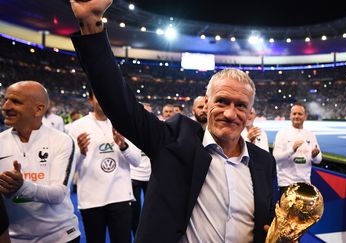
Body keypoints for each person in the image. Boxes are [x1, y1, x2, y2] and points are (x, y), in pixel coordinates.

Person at [69, 1, 276, 242]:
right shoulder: (173, 141)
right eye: (221, 102)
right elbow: (119, 104)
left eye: (240, 105)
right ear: (206, 104)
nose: (230, 113)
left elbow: (266, 223)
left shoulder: (264, 163)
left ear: (250, 112)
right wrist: (91, 24)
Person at [0, 81, 80, 242]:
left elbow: (58, 194)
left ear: (38, 109)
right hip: (16, 238)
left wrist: (22, 187)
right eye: (5, 100)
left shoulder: (62, 141)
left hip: (59, 236)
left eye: (16, 101)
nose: (5, 106)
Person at [68, 91, 141, 243]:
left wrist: (123, 145)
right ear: (90, 99)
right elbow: (70, 168)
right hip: (91, 199)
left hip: (120, 197)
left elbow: (136, 161)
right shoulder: (77, 126)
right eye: (98, 95)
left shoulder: (124, 123)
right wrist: (81, 153)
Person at [273, 103, 322, 194]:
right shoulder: (282, 134)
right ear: (290, 116)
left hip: (306, 183)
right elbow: (276, 158)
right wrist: (292, 150)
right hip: (287, 183)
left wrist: (314, 155)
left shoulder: (310, 135)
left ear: (305, 116)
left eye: (300, 114)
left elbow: (318, 160)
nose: (297, 116)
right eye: (294, 113)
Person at [130, 102, 152, 235]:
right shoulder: (129, 129)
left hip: (151, 176)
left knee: (152, 210)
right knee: (135, 211)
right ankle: (136, 236)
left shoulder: (157, 130)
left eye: (149, 112)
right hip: (134, 176)